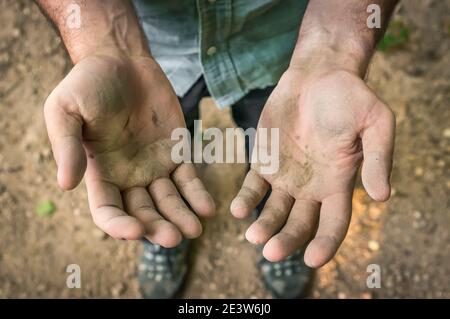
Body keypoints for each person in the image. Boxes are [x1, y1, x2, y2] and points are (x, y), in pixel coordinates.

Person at [35, 0, 398, 298]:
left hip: (286, 41)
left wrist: (333, 50)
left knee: (279, 150)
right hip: (149, 45)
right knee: (154, 146)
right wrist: (103, 42)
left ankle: (277, 222)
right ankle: (161, 224)